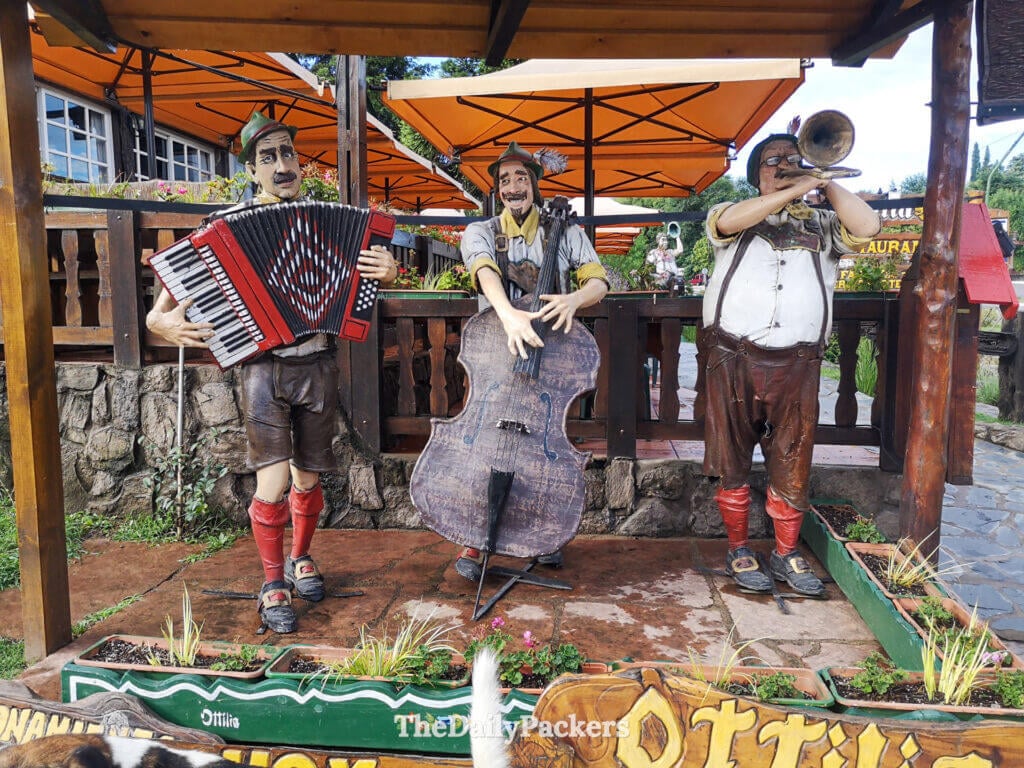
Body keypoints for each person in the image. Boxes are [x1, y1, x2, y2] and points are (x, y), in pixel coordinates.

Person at [145, 111, 398, 633]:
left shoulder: (328, 218)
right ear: (253, 170)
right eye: (269, 157)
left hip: (318, 363)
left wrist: (386, 270)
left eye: (287, 153)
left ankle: (301, 557)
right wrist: (159, 323)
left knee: (308, 474)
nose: (283, 165)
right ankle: (271, 581)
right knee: (273, 479)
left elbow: (368, 276)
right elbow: (161, 306)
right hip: (263, 369)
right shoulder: (222, 230)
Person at [701, 131, 880, 596]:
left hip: (798, 363)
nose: (783, 164)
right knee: (730, 455)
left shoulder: (824, 224)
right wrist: (795, 185)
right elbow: (729, 223)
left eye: (792, 157)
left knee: (793, 459)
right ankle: (738, 546)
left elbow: (868, 227)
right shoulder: (732, 215)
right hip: (732, 356)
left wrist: (823, 179)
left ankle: (785, 550)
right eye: (772, 160)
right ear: (755, 173)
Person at [453, 141, 610, 580]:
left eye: (521, 177)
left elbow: (599, 280)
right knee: (485, 440)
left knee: (543, 447)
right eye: (504, 180)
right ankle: (473, 535)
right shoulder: (481, 231)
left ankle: (544, 535)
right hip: (496, 354)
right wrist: (508, 316)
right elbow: (484, 271)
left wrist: (576, 299)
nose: (512, 186)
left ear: (535, 186)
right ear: (497, 189)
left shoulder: (565, 233)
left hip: (550, 356)